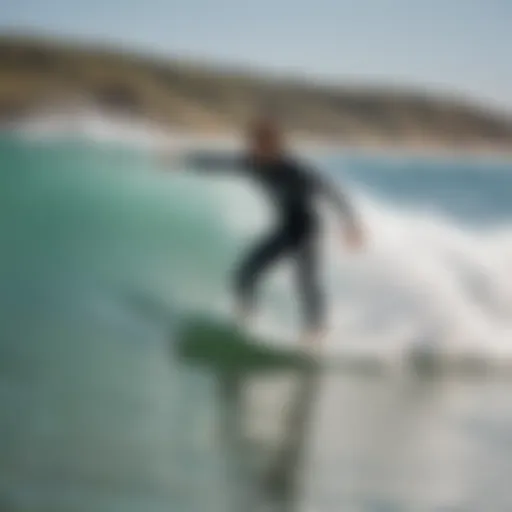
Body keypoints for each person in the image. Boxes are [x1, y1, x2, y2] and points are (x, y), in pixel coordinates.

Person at [161, 116, 365, 346]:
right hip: (285, 229)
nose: (253, 149)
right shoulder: (252, 163)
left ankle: (316, 331)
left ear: (273, 146)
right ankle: (246, 321)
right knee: (244, 273)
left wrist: (350, 223)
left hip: (308, 230)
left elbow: (330, 191)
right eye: (252, 144)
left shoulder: (294, 170)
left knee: (305, 281)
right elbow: (218, 163)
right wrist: (182, 160)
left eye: (259, 145)